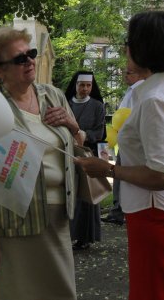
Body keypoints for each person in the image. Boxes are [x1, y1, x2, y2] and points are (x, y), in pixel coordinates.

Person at [77, 11, 164, 300]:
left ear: (143, 47)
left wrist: (108, 169)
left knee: (160, 291)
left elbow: (162, 175)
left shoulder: (155, 99)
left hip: (160, 215)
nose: (126, 48)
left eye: (129, 41)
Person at [0, 26, 81, 300]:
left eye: (30, 53)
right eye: (20, 58)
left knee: (59, 292)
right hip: (13, 224)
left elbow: (80, 142)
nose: (30, 61)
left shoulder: (53, 96)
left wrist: (72, 124)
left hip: (57, 218)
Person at [64, 71, 106, 250]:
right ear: (75, 85)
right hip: (66, 152)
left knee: (86, 196)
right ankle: (65, 235)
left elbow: (100, 132)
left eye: (88, 85)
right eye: (82, 85)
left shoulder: (97, 106)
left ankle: (84, 237)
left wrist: (82, 134)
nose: (85, 89)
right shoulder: (65, 104)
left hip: (87, 153)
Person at [102, 66, 146, 225]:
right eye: (124, 72)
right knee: (119, 174)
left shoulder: (139, 90)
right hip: (124, 138)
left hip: (131, 140)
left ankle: (119, 210)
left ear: (139, 73)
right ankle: (118, 209)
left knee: (120, 173)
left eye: (129, 73)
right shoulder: (132, 90)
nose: (125, 76)